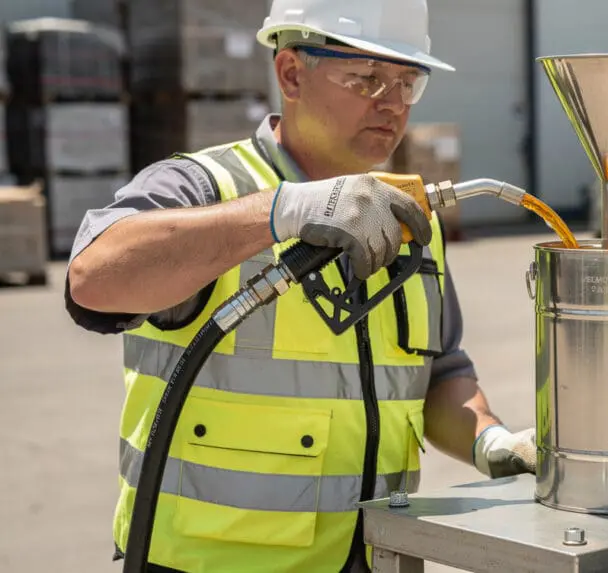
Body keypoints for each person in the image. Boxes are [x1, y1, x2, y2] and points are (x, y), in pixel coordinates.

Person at [64, 0, 536, 571]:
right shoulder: (206, 187)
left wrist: (491, 442)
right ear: (290, 73)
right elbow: (94, 279)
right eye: (366, 77)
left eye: (408, 82)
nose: (391, 102)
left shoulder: (411, 221)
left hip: (372, 559)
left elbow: (440, 373)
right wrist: (285, 211)